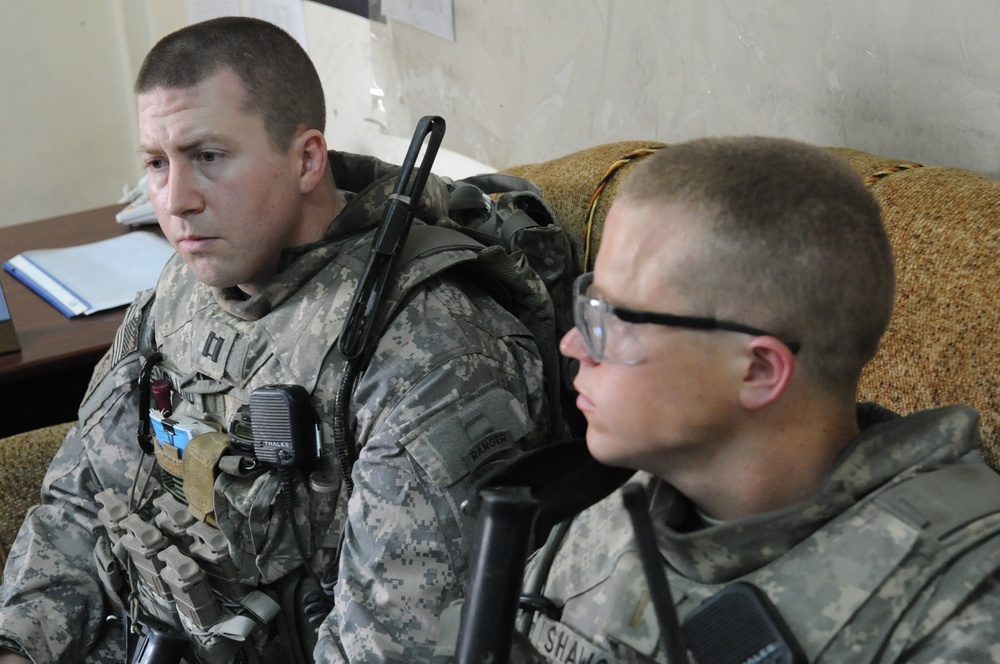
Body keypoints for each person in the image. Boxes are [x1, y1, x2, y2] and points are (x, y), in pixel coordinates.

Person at [0, 16, 552, 664]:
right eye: (156, 163)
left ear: (307, 160)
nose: (174, 201)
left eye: (208, 157)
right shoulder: (188, 283)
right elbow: (85, 495)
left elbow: (390, 650)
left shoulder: (433, 356)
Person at [513, 137, 1000, 663]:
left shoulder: (960, 607)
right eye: (589, 305)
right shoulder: (614, 505)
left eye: (615, 319)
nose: (573, 344)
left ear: (758, 370)